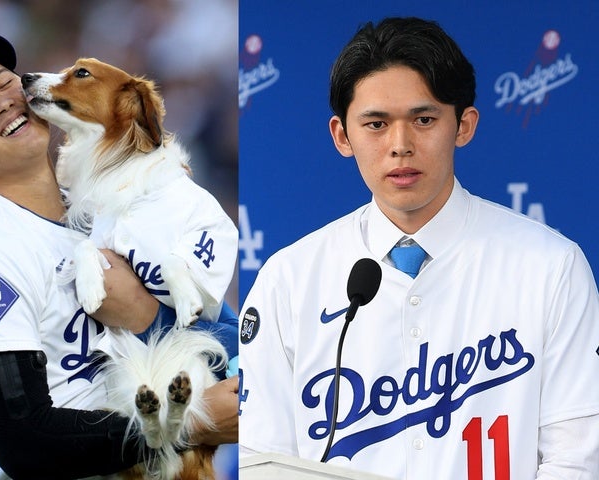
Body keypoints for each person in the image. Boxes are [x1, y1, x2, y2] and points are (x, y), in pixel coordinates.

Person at [238, 16, 599, 479]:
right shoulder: (289, 279)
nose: (400, 145)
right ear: (341, 136)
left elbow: (576, 461)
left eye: (423, 119)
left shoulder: (551, 266)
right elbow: (262, 463)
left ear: (463, 125)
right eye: (376, 124)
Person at [0, 32, 238, 479]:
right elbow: (25, 440)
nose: (2, 102)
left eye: (4, 83)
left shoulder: (106, 208)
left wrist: (148, 317)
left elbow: (226, 340)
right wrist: (186, 423)